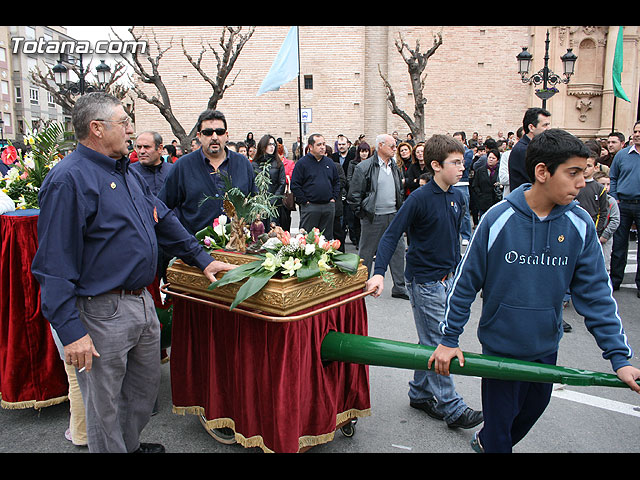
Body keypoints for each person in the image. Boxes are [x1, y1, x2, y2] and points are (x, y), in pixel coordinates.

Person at [30, 92, 236, 453]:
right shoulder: (68, 180)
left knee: (141, 393)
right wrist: (72, 331)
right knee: (104, 407)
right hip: (100, 311)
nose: (130, 130)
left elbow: (164, 219)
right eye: (123, 122)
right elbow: (53, 264)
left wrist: (202, 259)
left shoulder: (125, 172)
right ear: (96, 128)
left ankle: (129, 446)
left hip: (141, 301)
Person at [429, 128, 640, 453]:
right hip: (500, 350)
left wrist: (620, 357)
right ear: (542, 172)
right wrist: (448, 339)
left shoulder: (580, 223)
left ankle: (484, 441)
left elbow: (597, 296)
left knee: (526, 417)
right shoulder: (497, 218)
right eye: (573, 173)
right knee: (501, 435)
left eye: (584, 173)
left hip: (545, 349)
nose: (582, 182)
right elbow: (465, 283)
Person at [366, 134, 482, 429]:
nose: (461, 168)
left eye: (462, 162)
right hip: (425, 283)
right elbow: (392, 235)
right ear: (435, 165)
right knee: (439, 342)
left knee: (429, 339)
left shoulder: (458, 195)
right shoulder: (418, 198)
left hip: (448, 279)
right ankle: (452, 407)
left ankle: (419, 392)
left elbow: (459, 236)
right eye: (455, 163)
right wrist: (379, 271)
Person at [158, 109, 257, 236]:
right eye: (208, 133)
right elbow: (162, 207)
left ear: (226, 135)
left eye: (219, 132)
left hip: (236, 248)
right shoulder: (183, 166)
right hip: (194, 249)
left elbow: (254, 204)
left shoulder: (243, 164)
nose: (214, 137)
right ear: (199, 136)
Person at [348, 133, 409, 300]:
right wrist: (363, 214)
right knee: (366, 251)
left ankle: (399, 286)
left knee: (397, 251)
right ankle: (362, 285)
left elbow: (399, 190)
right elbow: (354, 195)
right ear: (381, 146)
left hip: (393, 215)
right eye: (392, 146)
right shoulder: (365, 167)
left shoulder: (394, 167)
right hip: (373, 217)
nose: (395, 149)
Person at [609, 121, 640, 296]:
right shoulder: (622, 155)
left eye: (639, 131)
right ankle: (615, 280)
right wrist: (615, 197)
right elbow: (613, 177)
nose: (636, 134)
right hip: (624, 204)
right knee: (619, 245)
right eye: (635, 131)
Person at [290, 133, 340, 240]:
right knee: (307, 240)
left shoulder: (329, 163)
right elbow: (295, 185)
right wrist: (304, 201)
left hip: (328, 207)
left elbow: (336, 182)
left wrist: (333, 198)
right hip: (310, 207)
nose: (322, 147)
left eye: (324, 144)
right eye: (319, 145)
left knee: (326, 240)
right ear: (311, 147)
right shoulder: (302, 163)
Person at [508, 107, 551, 192]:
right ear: (531, 127)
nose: (549, 128)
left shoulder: (533, 147)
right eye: (545, 125)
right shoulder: (523, 150)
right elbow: (536, 180)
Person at [252, 134, 286, 226]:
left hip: (273, 205)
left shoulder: (278, 164)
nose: (272, 147)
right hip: (258, 205)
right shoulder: (255, 164)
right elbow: (252, 184)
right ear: (263, 146)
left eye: (274, 145)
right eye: (269, 144)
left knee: (273, 231)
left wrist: (273, 200)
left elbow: (282, 183)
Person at [131, 131, 173, 196]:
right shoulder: (130, 173)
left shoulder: (173, 171)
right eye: (139, 147)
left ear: (159, 148)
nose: (141, 151)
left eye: (146, 147)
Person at [345, 142, 371, 247]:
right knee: (356, 221)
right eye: (362, 151)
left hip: (368, 195)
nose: (364, 154)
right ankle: (358, 241)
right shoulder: (353, 163)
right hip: (357, 194)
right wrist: (356, 189)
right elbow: (349, 178)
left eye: (366, 151)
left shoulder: (372, 163)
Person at [594, 171, 620, 274]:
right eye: (602, 184)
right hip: (592, 235)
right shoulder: (592, 199)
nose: (606, 187)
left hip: (605, 238)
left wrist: (605, 235)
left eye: (608, 184)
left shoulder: (611, 201)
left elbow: (615, 220)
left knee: (604, 263)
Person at [453, 131, 473, 246]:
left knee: (464, 211)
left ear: (464, 141)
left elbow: (465, 166)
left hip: (462, 184)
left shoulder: (468, 152)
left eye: (459, 140)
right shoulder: (451, 152)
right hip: (452, 183)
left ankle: (466, 235)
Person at [471, 148, 503, 219]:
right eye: (489, 157)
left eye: (493, 158)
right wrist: (480, 195)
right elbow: (475, 185)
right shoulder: (480, 170)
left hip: (496, 201)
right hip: (483, 202)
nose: (491, 159)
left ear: (497, 160)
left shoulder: (500, 171)